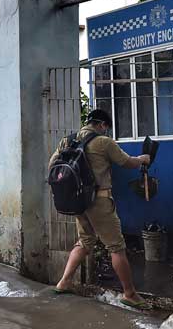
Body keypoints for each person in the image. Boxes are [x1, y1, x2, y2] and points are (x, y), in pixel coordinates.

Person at [50, 109, 152, 309]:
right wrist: (142, 159)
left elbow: (52, 166)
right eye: (107, 128)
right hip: (100, 202)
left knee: (86, 241)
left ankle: (64, 282)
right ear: (103, 125)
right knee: (116, 246)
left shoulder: (67, 141)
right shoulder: (104, 142)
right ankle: (130, 294)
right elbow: (127, 162)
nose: (107, 131)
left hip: (77, 202)